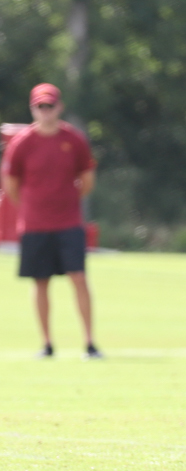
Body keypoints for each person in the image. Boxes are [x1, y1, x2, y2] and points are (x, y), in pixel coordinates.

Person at [0, 84, 101, 360]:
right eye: (40, 107)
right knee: (40, 282)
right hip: (34, 225)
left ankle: (90, 343)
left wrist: (65, 201)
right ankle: (47, 343)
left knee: (78, 278)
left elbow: (87, 180)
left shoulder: (74, 139)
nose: (46, 112)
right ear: (33, 109)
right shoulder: (22, 143)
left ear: (59, 107)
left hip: (69, 222)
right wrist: (34, 207)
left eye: (50, 106)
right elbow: (11, 185)